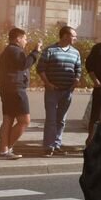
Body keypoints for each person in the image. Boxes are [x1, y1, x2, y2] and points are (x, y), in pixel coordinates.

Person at [36, 25, 82, 156]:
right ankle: (48, 146)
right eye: (74, 36)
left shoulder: (75, 52)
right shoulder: (50, 50)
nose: (75, 38)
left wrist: (76, 81)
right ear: (65, 36)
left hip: (67, 91)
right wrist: (48, 83)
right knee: (51, 119)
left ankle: (57, 144)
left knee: (61, 120)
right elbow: (40, 68)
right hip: (52, 90)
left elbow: (78, 68)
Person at [0, 27, 41, 160]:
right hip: (16, 89)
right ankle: (7, 149)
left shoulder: (8, 50)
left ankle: (4, 150)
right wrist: (35, 52)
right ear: (18, 39)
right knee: (24, 121)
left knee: (8, 119)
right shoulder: (15, 50)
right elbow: (24, 64)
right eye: (25, 39)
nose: (26, 42)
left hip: (7, 88)